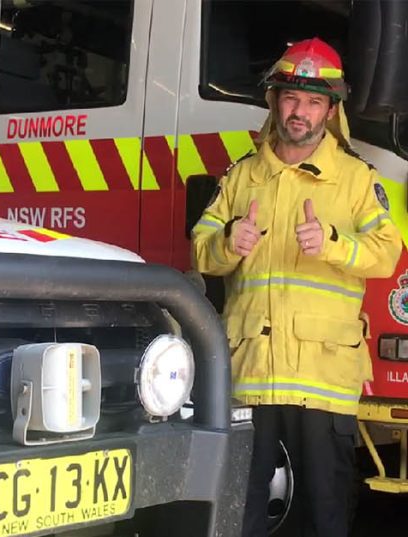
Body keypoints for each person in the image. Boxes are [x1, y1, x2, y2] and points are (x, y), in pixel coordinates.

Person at [191, 38, 402, 536]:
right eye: (290, 98)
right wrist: (227, 240)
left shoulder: (355, 179)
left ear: (330, 111)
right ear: (274, 102)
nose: (299, 111)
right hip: (252, 377)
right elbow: (200, 251)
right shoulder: (242, 177)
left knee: (324, 513)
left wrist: (331, 243)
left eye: (313, 102)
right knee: (238, 509)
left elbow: (386, 253)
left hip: (321, 379)